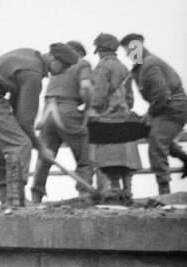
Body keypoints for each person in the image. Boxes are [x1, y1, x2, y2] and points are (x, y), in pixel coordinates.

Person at [0, 44, 70, 209]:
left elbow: (17, 106)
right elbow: (25, 121)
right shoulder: (33, 74)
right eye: (65, 66)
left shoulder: (29, 55)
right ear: (53, 59)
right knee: (20, 144)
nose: (64, 71)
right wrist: (40, 146)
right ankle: (16, 200)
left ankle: (7, 198)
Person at [121, 33, 187, 195]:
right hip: (165, 109)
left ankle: (164, 192)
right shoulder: (141, 67)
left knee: (156, 145)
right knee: (156, 135)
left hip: (173, 108)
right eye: (127, 50)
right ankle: (185, 158)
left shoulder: (150, 66)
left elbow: (162, 94)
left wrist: (150, 114)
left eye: (130, 49)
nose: (128, 53)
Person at [30, 40, 95, 202]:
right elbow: (86, 86)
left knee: (45, 156)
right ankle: (85, 194)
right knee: (84, 157)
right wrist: (88, 107)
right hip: (67, 110)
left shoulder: (56, 67)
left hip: (47, 113)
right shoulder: (82, 64)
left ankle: (36, 196)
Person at [89, 33, 141, 202]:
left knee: (109, 159)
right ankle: (128, 192)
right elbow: (130, 98)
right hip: (124, 116)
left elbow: (98, 95)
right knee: (126, 158)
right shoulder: (124, 67)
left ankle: (115, 194)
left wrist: (94, 110)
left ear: (101, 50)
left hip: (108, 117)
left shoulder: (102, 68)